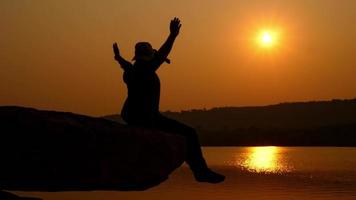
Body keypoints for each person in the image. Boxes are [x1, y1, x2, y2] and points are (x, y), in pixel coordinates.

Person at [113, 17, 225, 183]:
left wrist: (119, 58)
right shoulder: (146, 69)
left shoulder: (132, 70)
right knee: (189, 133)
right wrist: (172, 35)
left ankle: (199, 170)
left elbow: (128, 65)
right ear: (149, 58)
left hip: (132, 115)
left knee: (184, 133)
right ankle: (200, 171)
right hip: (146, 117)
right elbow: (162, 54)